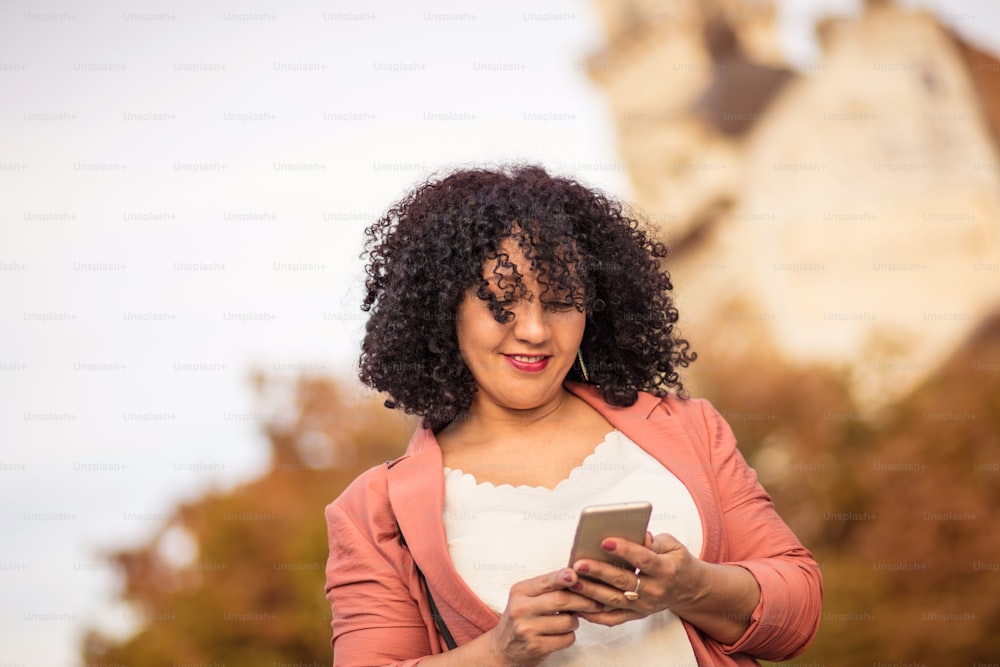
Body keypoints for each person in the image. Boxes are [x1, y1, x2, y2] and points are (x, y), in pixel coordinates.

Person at [324, 165, 822, 666]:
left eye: (562, 302)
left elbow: (799, 611)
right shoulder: (375, 512)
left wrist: (692, 587)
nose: (536, 330)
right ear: (442, 307)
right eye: (502, 305)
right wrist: (498, 651)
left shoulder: (688, 428)